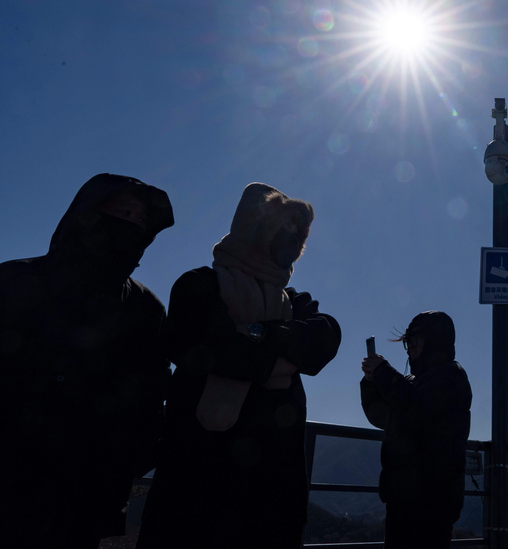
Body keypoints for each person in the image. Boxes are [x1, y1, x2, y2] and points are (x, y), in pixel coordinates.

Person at [137, 183, 340, 549]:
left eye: (298, 233)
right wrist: (284, 354)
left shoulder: (297, 302)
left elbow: (326, 340)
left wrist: (255, 332)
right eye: (283, 228)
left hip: (273, 496)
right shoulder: (198, 286)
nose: (291, 239)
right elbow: (209, 349)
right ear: (253, 230)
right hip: (198, 490)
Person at [0, 174, 174, 548]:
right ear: (87, 215)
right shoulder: (13, 282)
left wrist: (128, 460)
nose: (132, 225)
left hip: (88, 493)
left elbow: (153, 393)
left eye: (142, 221)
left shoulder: (145, 309)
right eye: (124, 212)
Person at [360, 311, 472, 549]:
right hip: (404, 495)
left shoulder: (452, 377)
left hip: (432, 499)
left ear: (433, 341)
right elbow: (382, 416)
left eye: (413, 342)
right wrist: (371, 383)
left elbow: (417, 408)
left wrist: (383, 373)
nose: (409, 349)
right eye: (407, 344)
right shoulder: (414, 382)